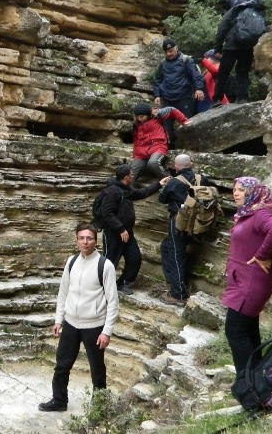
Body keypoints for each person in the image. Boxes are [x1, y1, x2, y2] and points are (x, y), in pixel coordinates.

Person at [38, 223, 119, 412]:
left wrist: (106, 332)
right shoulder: (71, 262)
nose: (85, 242)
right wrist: (59, 319)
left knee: (97, 370)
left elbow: (113, 302)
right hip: (71, 324)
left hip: (94, 326)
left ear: (95, 241)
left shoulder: (105, 266)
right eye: (81, 238)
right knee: (61, 365)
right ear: (76, 241)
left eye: (89, 238)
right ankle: (59, 400)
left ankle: (99, 409)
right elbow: (63, 292)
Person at [222, 177, 272, 374]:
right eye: (234, 189)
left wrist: (262, 254)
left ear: (253, 192)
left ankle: (246, 382)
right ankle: (256, 377)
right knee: (249, 329)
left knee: (235, 330)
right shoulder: (248, 214)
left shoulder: (260, 214)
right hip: (244, 281)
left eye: (241, 189)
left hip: (250, 284)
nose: (235, 193)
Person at [100, 165, 170, 295]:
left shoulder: (126, 189)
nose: (133, 177)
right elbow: (106, 212)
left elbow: (141, 193)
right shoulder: (112, 191)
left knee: (135, 257)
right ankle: (101, 286)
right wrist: (120, 229)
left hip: (127, 233)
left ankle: (123, 282)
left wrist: (159, 184)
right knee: (110, 261)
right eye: (131, 175)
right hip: (114, 233)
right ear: (126, 177)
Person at [158, 154, 208, 307]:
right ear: (191, 164)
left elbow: (162, 199)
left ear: (176, 166)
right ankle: (173, 282)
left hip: (178, 222)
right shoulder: (201, 178)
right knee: (166, 247)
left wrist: (165, 185)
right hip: (196, 223)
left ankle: (178, 294)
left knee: (175, 253)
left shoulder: (174, 182)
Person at [212, 0, 266, 105]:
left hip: (232, 44)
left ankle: (217, 99)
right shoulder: (257, 10)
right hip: (248, 45)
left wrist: (217, 47)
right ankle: (242, 98)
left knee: (223, 72)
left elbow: (222, 27)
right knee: (242, 72)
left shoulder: (235, 9)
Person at [153, 39, 205, 144]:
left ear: (176, 48)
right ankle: (168, 147)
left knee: (188, 123)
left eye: (171, 51)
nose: (169, 54)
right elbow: (158, 80)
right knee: (166, 126)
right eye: (166, 52)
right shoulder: (163, 64)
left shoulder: (186, 60)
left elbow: (196, 76)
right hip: (166, 98)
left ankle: (191, 147)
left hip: (184, 98)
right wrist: (157, 95)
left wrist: (199, 89)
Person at [130, 102, 190, 186]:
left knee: (153, 163)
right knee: (132, 172)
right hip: (142, 151)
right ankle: (126, 191)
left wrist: (184, 120)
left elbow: (172, 110)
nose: (140, 119)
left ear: (148, 114)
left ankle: (171, 182)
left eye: (142, 116)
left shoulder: (157, 115)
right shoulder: (136, 125)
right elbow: (136, 140)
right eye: (138, 117)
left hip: (158, 145)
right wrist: (135, 154)